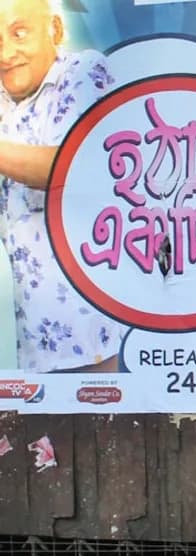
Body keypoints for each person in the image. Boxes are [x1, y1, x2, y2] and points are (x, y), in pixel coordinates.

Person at [0, 0, 124, 372]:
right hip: (15, 336)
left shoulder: (83, 70)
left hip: (79, 332)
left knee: (93, 430)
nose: (6, 53)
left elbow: (70, 164)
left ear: (54, 29)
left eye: (19, 33)